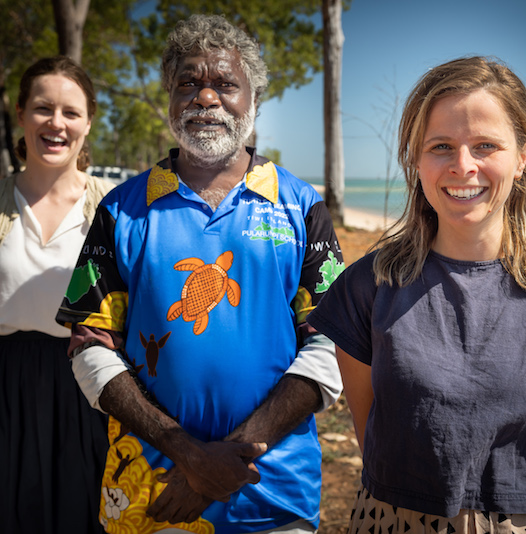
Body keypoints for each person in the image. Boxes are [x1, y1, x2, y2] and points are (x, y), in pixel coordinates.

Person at [55, 14, 344, 534]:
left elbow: (333, 347)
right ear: (169, 98)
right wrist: (185, 453)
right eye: (188, 82)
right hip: (151, 487)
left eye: (225, 84)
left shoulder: (302, 206)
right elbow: (89, 345)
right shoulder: (123, 210)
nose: (205, 98)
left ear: (253, 101)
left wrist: (222, 463)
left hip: (272, 489)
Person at [307, 55, 526, 534]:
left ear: (522, 157)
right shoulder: (367, 287)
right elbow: (373, 438)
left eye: (486, 145)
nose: (463, 166)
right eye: (441, 146)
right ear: (417, 159)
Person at [0, 56, 113, 533]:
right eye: (43, 108)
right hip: (5, 389)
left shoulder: (112, 207)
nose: (56, 123)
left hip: (90, 386)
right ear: (21, 113)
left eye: (71, 112)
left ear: (88, 122)